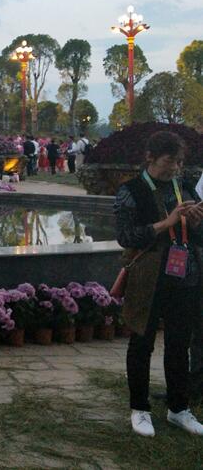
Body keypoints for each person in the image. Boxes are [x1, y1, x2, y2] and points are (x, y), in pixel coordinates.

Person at [114, 131, 203, 437]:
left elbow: (199, 236)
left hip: (185, 276)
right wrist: (166, 223)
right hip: (148, 278)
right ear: (150, 157)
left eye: (179, 162)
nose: (175, 168)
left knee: (179, 344)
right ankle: (140, 408)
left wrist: (195, 223)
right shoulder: (131, 190)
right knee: (142, 342)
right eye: (169, 161)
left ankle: (179, 408)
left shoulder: (184, 187)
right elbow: (126, 236)